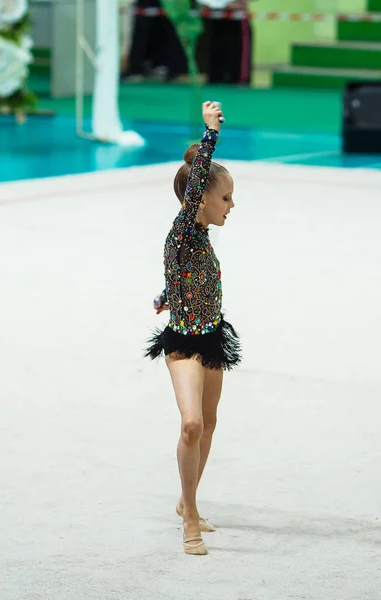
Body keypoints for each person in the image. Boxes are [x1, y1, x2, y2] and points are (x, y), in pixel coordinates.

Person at [145, 102, 242, 555]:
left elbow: (184, 269)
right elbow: (198, 179)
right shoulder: (186, 224)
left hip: (213, 338)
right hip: (184, 342)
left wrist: (168, 292)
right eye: (225, 197)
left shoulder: (196, 238)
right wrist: (210, 134)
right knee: (191, 424)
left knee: (210, 424)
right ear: (199, 197)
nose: (231, 204)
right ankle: (190, 518)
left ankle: (189, 505)